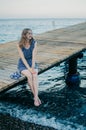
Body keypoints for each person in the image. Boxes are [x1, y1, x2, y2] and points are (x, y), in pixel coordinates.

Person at [17, 28, 41, 106]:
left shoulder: (34, 42)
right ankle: (36, 97)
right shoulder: (19, 44)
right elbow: (22, 58)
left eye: (31, 33)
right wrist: (29, 68)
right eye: (29, 33)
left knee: (34, 75)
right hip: (23, 64)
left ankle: (35, 97)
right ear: (24, 35)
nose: (31, 35)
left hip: (32, 62)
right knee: (29, 76)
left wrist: (32, 67)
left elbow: (34, 56)